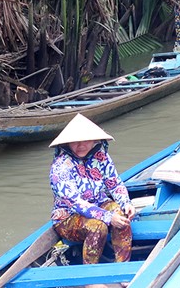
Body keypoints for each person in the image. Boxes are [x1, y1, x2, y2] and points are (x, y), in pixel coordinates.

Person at [49, 114, 135, 265]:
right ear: (67, 143)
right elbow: (76, 203)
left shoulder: (101, 157)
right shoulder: (60, 166)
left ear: (95, 140)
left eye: (86, 140)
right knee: (98, 226)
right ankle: (90, 277)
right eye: (75, 141)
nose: (81, 145)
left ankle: (122, 266)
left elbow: (114, 184)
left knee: (120, 214)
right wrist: (108, 217)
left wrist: (126, 203)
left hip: (98, 205)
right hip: (68, 217)